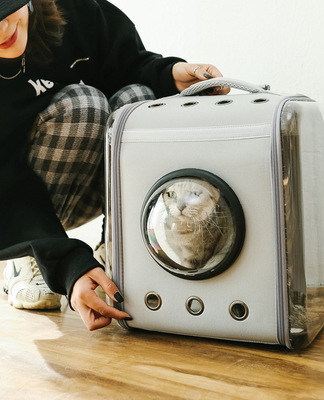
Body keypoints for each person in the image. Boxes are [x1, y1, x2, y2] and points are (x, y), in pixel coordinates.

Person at [0, 0, 229, 331]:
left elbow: (129, 66)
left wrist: (169, 75)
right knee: (85, 105)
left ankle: (117, 249)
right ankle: (28, 258)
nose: (3, 29)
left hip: (90, 182)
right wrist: (66, 263)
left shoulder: (78, 11)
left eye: (7, 9)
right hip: (15, 209)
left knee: (137, 100)